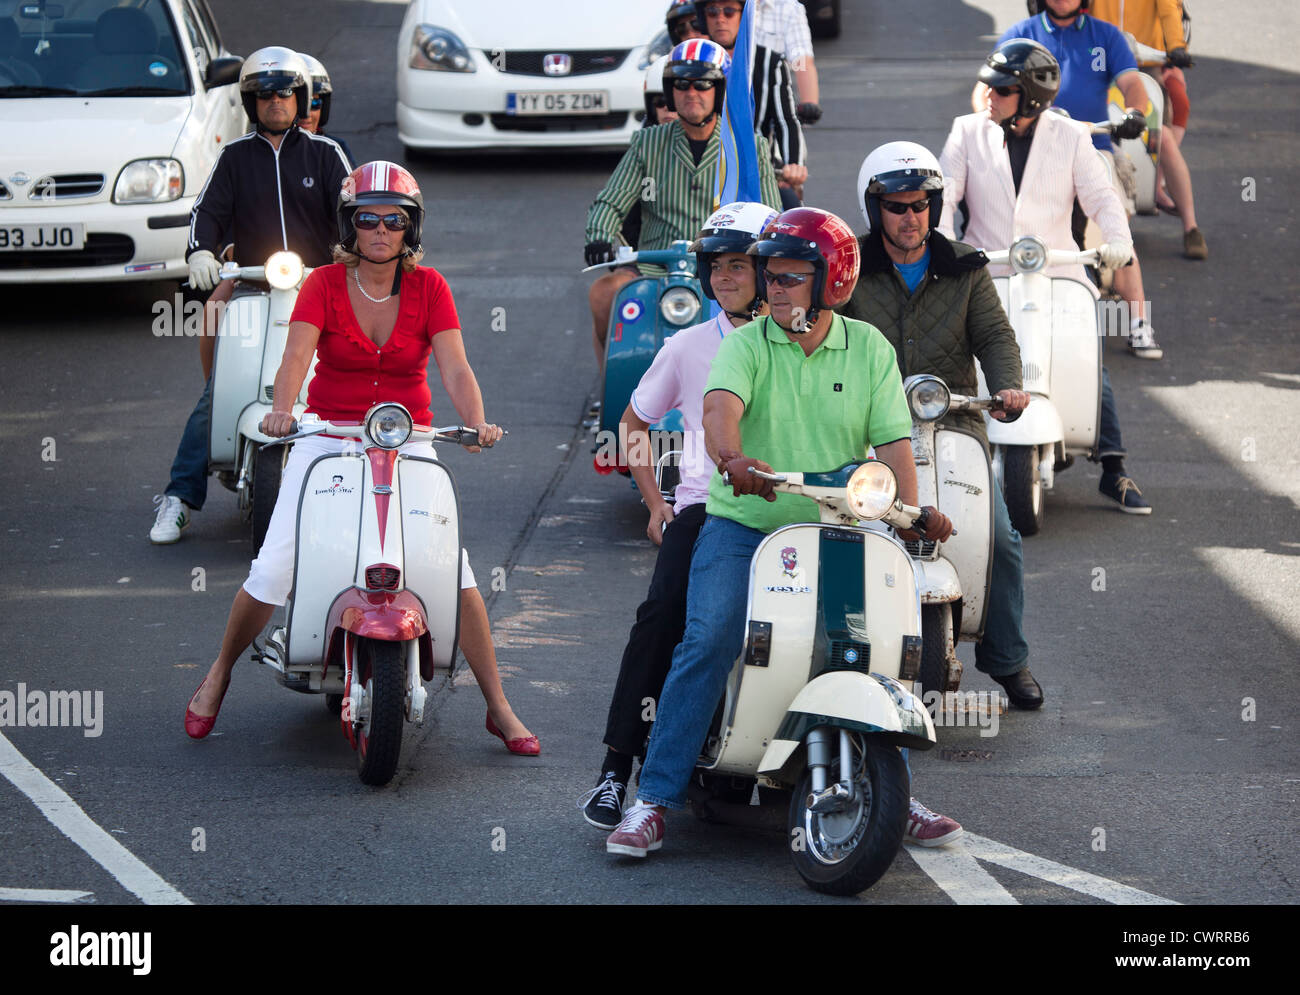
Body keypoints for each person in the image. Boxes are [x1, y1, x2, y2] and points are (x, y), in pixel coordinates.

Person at [603, 207, 956, 858]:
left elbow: (895, 446)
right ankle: (652, 797)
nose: (774, 288)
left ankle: (892, 789)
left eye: (791, 277)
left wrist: (912, 510)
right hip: (745, 525)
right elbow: (718, 413)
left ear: (832, 283)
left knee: (877, 646)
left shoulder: (871, 348)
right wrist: (733, 460)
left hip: (841, 524)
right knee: (709, 636)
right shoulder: (745, 344)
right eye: (771, 275)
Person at [182, 161, 537, 757]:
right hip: (327, 435)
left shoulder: (432, 288)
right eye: (367, 218)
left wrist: (476, 422)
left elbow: (454, 366)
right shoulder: (321, 283)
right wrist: (283, 409)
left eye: (393, 220)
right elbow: (296, 357)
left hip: (407, 438)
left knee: (455, 567)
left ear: (410, 228)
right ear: (349, 224)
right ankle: (218, 673)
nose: (380, 230)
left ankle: (498, 706)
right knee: (278, 562)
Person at [578, 202, 776, 830]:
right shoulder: (689, 344)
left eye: (737, 265)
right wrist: (657, 504)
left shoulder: (804, 339)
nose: (722, 277)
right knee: (663, 616)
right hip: (704, 507)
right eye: (714, 266)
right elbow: (632, 424)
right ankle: (617, 770)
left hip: (794, 511)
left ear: (770, 269)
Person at [841, 141, 1043, 711]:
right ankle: (844, 651)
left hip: (953, 424)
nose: (911, 217)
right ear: (874, 208)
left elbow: (996, 338)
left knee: (999, 538)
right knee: (845, 529)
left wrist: (1008, 386)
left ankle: (1008, 659)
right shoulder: (849, 269)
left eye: (922, 204)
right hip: (866, 431)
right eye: (898, 206)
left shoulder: (966, 267)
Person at [149, 47, 352, 544]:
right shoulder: (234, 157)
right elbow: (208, 211)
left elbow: (353, 205)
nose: (276, 102)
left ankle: (367, 483)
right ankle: (178, 496)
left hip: (318, 287)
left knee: (349, 378)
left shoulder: (325, 154)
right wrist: (200, 251)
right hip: (252, 286)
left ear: (299, 97)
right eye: (264, 94)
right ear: (250, 102)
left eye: (285, 92)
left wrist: (351, 255)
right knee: (221, 389)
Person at [942, 40, 1154, 515]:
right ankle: (944, 453)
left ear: (1030, 96)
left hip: (1058, 268)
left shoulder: (1071, 135)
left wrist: (1119, 240)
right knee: (956, 351)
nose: (988, 95)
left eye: (1002, 89)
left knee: (1084, 351)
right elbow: (945, 198)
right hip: (986, 268)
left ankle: (1114, 469)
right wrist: (939, 247)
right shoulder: (966, 131)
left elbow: (1102, 198)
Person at [981, 1, 1165, 359]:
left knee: (1117, 221)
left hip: (1095, 145)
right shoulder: (1021, 34)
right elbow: (986, 84)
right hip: (1033, 147)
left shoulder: (1106, 35)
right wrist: (984, 120)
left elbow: (1132, 83)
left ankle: (1139, 323)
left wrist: (1134, 113)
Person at [584, 39, 781, 364]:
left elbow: (771, 218)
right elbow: (610, 202)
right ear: (669, 90)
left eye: (704, 84)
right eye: (681, 83)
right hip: (654, 266)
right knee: (605, 292)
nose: (692, 92)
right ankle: (612, 386)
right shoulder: (648, 141)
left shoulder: (750, 146)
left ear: (721, 90)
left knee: (773, 310)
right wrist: (600, 237)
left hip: (726, 267)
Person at [1088, 0, 1207, 259]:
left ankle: (1190, 226)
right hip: (1099, 61)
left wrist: (1176, 46)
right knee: (1088, 131)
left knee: (1162, 137)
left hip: (1145, 62)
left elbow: (1168, 9)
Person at [697, 0, 807, 209]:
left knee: (792, 213)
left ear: (743, 16)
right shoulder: (692, 61)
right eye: (712, 11)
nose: (720, 19)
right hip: (702, 167)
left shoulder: (770, 62)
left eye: (729, 11)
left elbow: (785, 120)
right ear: (703, 17)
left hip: (759, 169)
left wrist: (793, 164)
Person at [752, 0, 821, 124]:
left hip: (770, 108)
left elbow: (801, 61)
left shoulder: (789, 9)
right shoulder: (721, 9)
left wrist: (809, 103)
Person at [297, 52, 357, 166]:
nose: (307, 114)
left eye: (314, 103)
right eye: (300, 104)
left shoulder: (335, 149)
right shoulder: (265, 151)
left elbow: (354, 182)